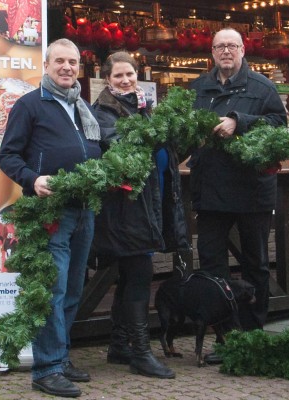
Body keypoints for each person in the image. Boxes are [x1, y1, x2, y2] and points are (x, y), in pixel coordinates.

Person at [0, 38, 102, 398]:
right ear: (46, 65)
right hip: (49, 212)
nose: (67, 68)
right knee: (52, 290)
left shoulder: (81, 107)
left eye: (73, 62)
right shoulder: (30, 105)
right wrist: (33, 178)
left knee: (73, 288)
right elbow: (8, 156)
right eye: (60, 61)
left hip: (84, 208)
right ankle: (46, 368)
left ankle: (61, 356)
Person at [189, 27, 287, 362]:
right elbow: (184, 130)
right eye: (220, 46)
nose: (226, 51)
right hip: (210, 190)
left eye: (232, 46)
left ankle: (253, 336)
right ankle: (225, 337)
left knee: (255, 265)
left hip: (252, 191)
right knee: (212, 264)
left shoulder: (263, 87)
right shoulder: (198, 87)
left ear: (243, 50)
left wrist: (238, 121)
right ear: (212, 52)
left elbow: (278, 125)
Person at [91, 51, 189, 379]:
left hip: (153, 203)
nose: (125, 80)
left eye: (130, 74)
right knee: (140, 275)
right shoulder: (103, 111)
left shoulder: (145, 107)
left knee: (133, 276)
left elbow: (167, 149)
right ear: (107, 79)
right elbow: (120, 147)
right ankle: (141, 352)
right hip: (127, 208)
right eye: (118, 76)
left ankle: (120, 345)